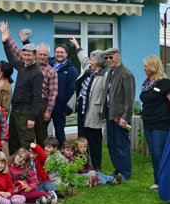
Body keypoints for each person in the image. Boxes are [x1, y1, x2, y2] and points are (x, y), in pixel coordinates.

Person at [0, 21, 43, 155]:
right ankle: (13, 170)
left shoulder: (37, 73)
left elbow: (37, 98)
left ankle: (26, 173)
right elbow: (11, 59)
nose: (26, 57)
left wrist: (32, 118)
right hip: (15, 111)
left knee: (25, 145)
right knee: (13, 142)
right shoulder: (22, 66)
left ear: (34, 55)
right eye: (24, 55)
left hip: (26, 112)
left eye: (29, 55)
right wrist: (5, 42)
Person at [9, 31, 59, 148]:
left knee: (41, 135)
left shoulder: (51, 71)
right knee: (25, 134)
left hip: (40, 105)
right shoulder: (27, 65)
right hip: (26, 105)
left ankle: (42, 161)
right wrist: (9, 39)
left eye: (45, 55)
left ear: (48, 55)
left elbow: (53, 93)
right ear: (36, 54)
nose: (42, 57)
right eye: (40, 54)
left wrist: (48, 111)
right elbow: (16, 52)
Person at [67, 38, 107, 171]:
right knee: (82, 140)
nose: (90, 61)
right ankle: (83, 165)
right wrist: (77, 45)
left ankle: (97, 166)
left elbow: (107, 97)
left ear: (98, 62)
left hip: (94, 113)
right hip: (82, 112)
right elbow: (83, 58)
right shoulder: (88, 68)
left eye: (92, 60)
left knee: (94, 141)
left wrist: (105, 113)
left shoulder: (105, 76)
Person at [101, 47, 135, 181]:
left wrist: (125, 117)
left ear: (118, 56)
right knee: (112, 144)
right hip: (110, 113)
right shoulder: (110, 73)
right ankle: (118, 170)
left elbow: (129, 98)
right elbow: (106, 95)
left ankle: (126, 173)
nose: (109, 60)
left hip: (120, 116)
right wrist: (103, 113)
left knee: (122, 145)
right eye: (107, 58)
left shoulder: (126, 74)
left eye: (111, 57)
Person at [140, 55, 170, 190]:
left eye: (146, 66)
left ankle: (163, 182)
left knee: (159, 153)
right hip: (148, 122)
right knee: (153, 153)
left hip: (161, 123)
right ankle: (158, 181)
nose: (144, 68)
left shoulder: (165, 83)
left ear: (153, 66)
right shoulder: (147, 83)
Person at [48, 44, 78, 148]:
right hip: (46, 106)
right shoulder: (49, 64)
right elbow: (36, 54)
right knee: (41, 133)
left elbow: (73, 91)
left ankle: (63, 156)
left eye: (62, 52)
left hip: (60, 108)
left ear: (66, 54)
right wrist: (25, 41)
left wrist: (68, 109)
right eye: (57, 52)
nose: (59, 54)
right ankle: (43, 157)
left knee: (60, 134)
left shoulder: (71, 70)